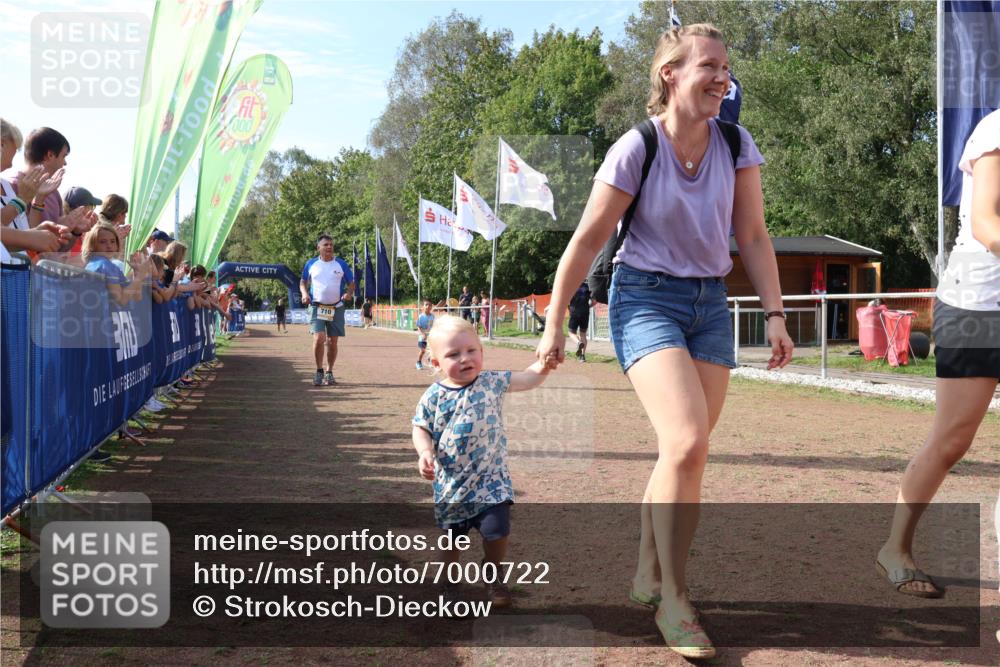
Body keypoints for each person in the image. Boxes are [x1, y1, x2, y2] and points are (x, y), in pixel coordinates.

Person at [535, 24, 792, 659]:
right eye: (708, 65)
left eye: (726, 67)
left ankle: (648, 572)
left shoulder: (735, 142)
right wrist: (554, 318)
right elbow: (589, 238)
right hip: (644, 297)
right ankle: (676, 600)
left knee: (684, 455)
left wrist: (776, 313)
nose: (721, 76)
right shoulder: (636, 147)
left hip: (709, 304)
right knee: (686, 440)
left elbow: (754, 237)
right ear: (670, 74)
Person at [877, 109, 1000, 598]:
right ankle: (895, 548)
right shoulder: (996, 128)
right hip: (978, 306)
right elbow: (989, 222)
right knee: (950, 442)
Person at [412, 315, 554, 607]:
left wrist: (544, 366)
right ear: (435, 362)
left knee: (497, 530)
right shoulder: (434, 396)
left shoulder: (492, 382)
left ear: (481, 352)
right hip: (452, 486)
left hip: (492, 482)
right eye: (453, 354)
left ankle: (494, 574)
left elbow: (527, 379)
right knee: (451, 542)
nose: (465, 359)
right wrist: (424, 452)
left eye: (471, 350)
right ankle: (449, 586)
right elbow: (420, 427)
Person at [300, 234, 354, 386]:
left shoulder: (341, 264)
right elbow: (303, 281)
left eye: (331, 244)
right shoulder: (311, 264)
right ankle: (318, 371)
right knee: (319, 337)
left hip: (336, 307)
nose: (329, 247)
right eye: (326, 245)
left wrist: (348, 294)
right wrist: (304, 294)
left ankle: (329, 372)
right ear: (318, 248)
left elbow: (351, 283)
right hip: (317, 306)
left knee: (332, 341)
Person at [568, 281, 593, 361]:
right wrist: (588, 306)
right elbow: (595, 301)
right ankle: (582, 356)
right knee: (583, 334)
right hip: (585, 312)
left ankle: (578, 343)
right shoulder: (588, 286)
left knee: (571, 333)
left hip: (574, 312)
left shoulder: (571, 285)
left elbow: (565, 300)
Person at [415, 300, 435, 369]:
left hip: (430, 337)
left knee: (431, 350)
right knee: (423, 351)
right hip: (422, 337)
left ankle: (430, 361)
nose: (428, 306)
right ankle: (418, 362)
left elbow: (433, 326)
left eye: (430, 305)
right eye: (426, 305)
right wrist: (423, 334)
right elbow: (419, 327)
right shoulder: (421, 316)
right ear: (423, 307)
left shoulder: (432, 316)